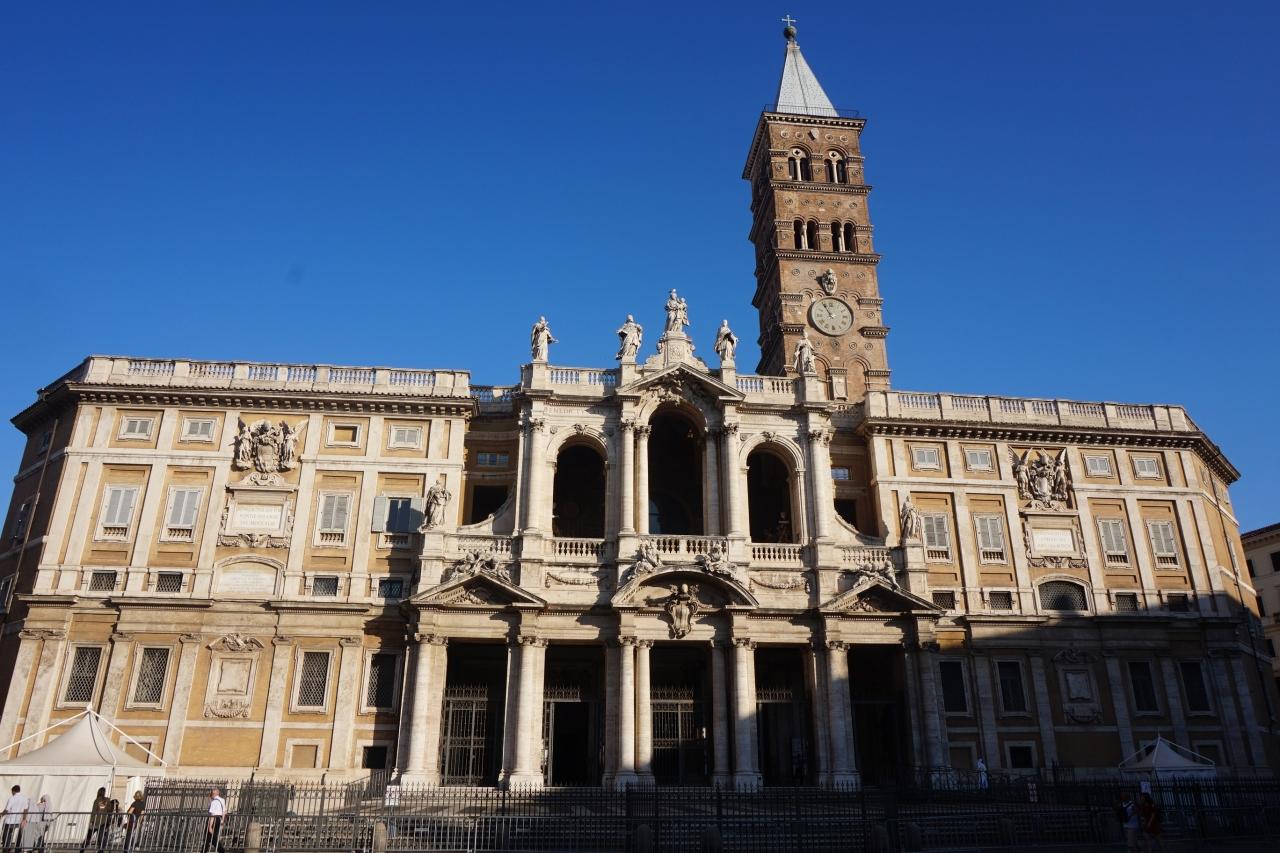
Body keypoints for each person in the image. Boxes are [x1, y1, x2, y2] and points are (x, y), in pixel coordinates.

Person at [78, 788, 110, 853]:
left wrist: (91, 821)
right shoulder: (106, 800)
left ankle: (82, 850)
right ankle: (100, 851)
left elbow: (94, 812)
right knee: (100, 838)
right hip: (103, 822)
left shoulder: (97, 800)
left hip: (96, 822)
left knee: (89, 837)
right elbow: (109, 810)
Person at [1, 785, 29, 853]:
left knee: (5, 835)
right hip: (18, 821)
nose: (12, 793)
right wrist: (24, 819)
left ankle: (6, 849)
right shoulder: (24, 798)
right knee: (11, 834)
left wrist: (0, 815)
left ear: (13, 791)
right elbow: (25, 810)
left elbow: (6, 810)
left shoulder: (12, 798)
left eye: (12, 792)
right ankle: (10, 848)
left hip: (9, 821)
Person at [204, 788, 226, 853]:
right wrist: (222, 820)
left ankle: (221, 850)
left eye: (211, 794)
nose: (211, 796)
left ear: (213, 794)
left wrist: (210, 826)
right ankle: (221, 850)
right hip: (219, 819)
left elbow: (212, 815)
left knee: (207, 838)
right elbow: (224, 811)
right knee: (213, 837)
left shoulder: (214, 802)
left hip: (213, 820)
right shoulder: (222, 800)